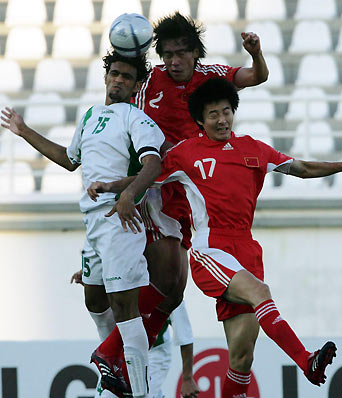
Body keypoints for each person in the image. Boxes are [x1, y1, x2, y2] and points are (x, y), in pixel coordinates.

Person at [144, 77, 342, 396]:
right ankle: (306, 360)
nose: (222, 119)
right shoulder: (185, 154)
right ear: (200, 120)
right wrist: (111, 191)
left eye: (226, 111)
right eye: (213, 114)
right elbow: (145, 180)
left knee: (241, 359)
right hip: (210, 249)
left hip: (247, 251)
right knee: (261, 292)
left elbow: (302, 168)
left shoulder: (253, 148)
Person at [91, 13, 269, 393]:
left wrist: (256, 53)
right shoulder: (148, 82)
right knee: (169, 281)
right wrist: (128, 186)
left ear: (194, 53)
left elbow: (257, 77)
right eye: (167, 53)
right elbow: (115, 109)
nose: (173, 60)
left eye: (181, 53)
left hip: (190, 195)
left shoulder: (212, 75)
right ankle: (112, 352)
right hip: (156, 189)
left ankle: (113, 352)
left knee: (172, 292)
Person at [0, 51, 166, 398]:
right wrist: (24, 130)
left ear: (136, 86)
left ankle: (139, 392)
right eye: (115, 74)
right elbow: (69, 159)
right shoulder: (90, 116)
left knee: (125, 307)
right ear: (106, 77)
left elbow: (153, 164)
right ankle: (115, 374)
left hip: (120, 219)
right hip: (92, 222)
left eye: (127, 77)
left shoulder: (137, 119)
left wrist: (128, 194)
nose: (119, 80)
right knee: (94, 300)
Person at [71, 272, 199, 398]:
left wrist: (187, 379)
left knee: (139, 393)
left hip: (154, 354)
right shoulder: (125, 272)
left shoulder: (168, 286)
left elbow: (184, 335)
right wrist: (92, 278)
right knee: (107, 393)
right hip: (119, 350)